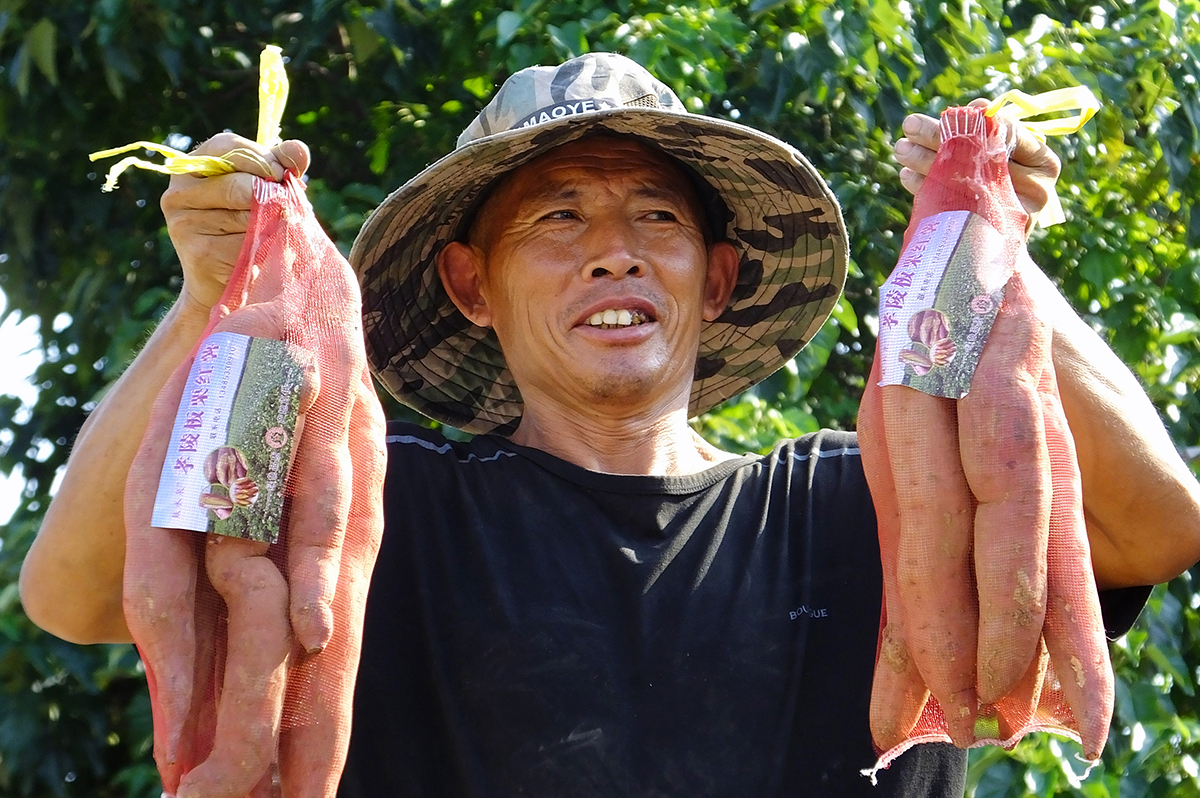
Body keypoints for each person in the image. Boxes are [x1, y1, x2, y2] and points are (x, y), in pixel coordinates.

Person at [18, 52, 1200, 798]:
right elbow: (71, 598)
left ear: (720, 278)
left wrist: (996, 245)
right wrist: (203, 297)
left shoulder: (869, 502)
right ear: (474, 286)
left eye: (654, 214)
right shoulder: (384, 520)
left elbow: (1159, 528)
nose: (613, 247)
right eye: (558, 217)